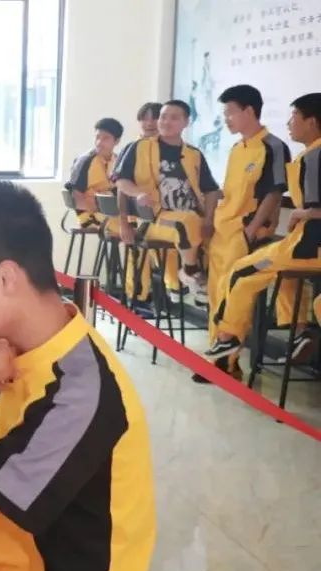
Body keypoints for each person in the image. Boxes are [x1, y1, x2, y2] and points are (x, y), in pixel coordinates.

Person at [0, 179, 155, 571]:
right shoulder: (36, 347)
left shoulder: (79, 392)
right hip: (7, 565)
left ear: (5, 277)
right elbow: (25, 447)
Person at [206, 93, 321, 362]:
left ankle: (227, 338)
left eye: (294, 116)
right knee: (281, 275)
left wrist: (300, 213)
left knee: (242, 272)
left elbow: (280, 193)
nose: (289, 122)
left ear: (312, 121)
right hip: (296, 243)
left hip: (307, 246)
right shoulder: (305, 155)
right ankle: (300, 333)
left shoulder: (312, 156)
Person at [200, 85, 291, 382]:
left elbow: (275, 192)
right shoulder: (237, 149)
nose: (226, 119)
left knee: (233, 294)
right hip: (222, 231)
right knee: (216, 294)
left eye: (230, 113)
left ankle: (228, 362)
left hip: (243, 232)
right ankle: (216, 354)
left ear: (249, 111)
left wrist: (253, 229)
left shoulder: (272, 146)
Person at [116, 100, 220, 307]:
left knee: (221, 234)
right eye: (163, 117)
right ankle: (190, 272)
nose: (165, 122)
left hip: (190, 218)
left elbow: (211, 190)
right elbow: (121, 181)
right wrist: (136, 196)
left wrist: (209, 219)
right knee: (185, 222)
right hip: (154, 219)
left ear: (186, 122)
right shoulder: (139, 147)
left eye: (174, 118)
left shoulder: (194, 154)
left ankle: (209, 295)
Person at [111, 102, 164, 310]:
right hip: (139, 218)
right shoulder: (133, 148)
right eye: (144, 118)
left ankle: (176, 286)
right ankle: (138, 299)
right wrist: (124, 222)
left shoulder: (174, 149)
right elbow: (121, 188)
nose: (149, 123)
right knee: (138, 250)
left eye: (154, 118)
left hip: (163, 217)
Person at [65, 117, 124, 229]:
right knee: (125, 229)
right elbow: (76, 197)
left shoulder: (118, 161)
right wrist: (100, 207)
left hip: (108, 212)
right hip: (89, 216)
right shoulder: (84, 161)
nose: (99, 142)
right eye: (97, 137)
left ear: (116, 141)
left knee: (131, 224)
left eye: (105, 138)